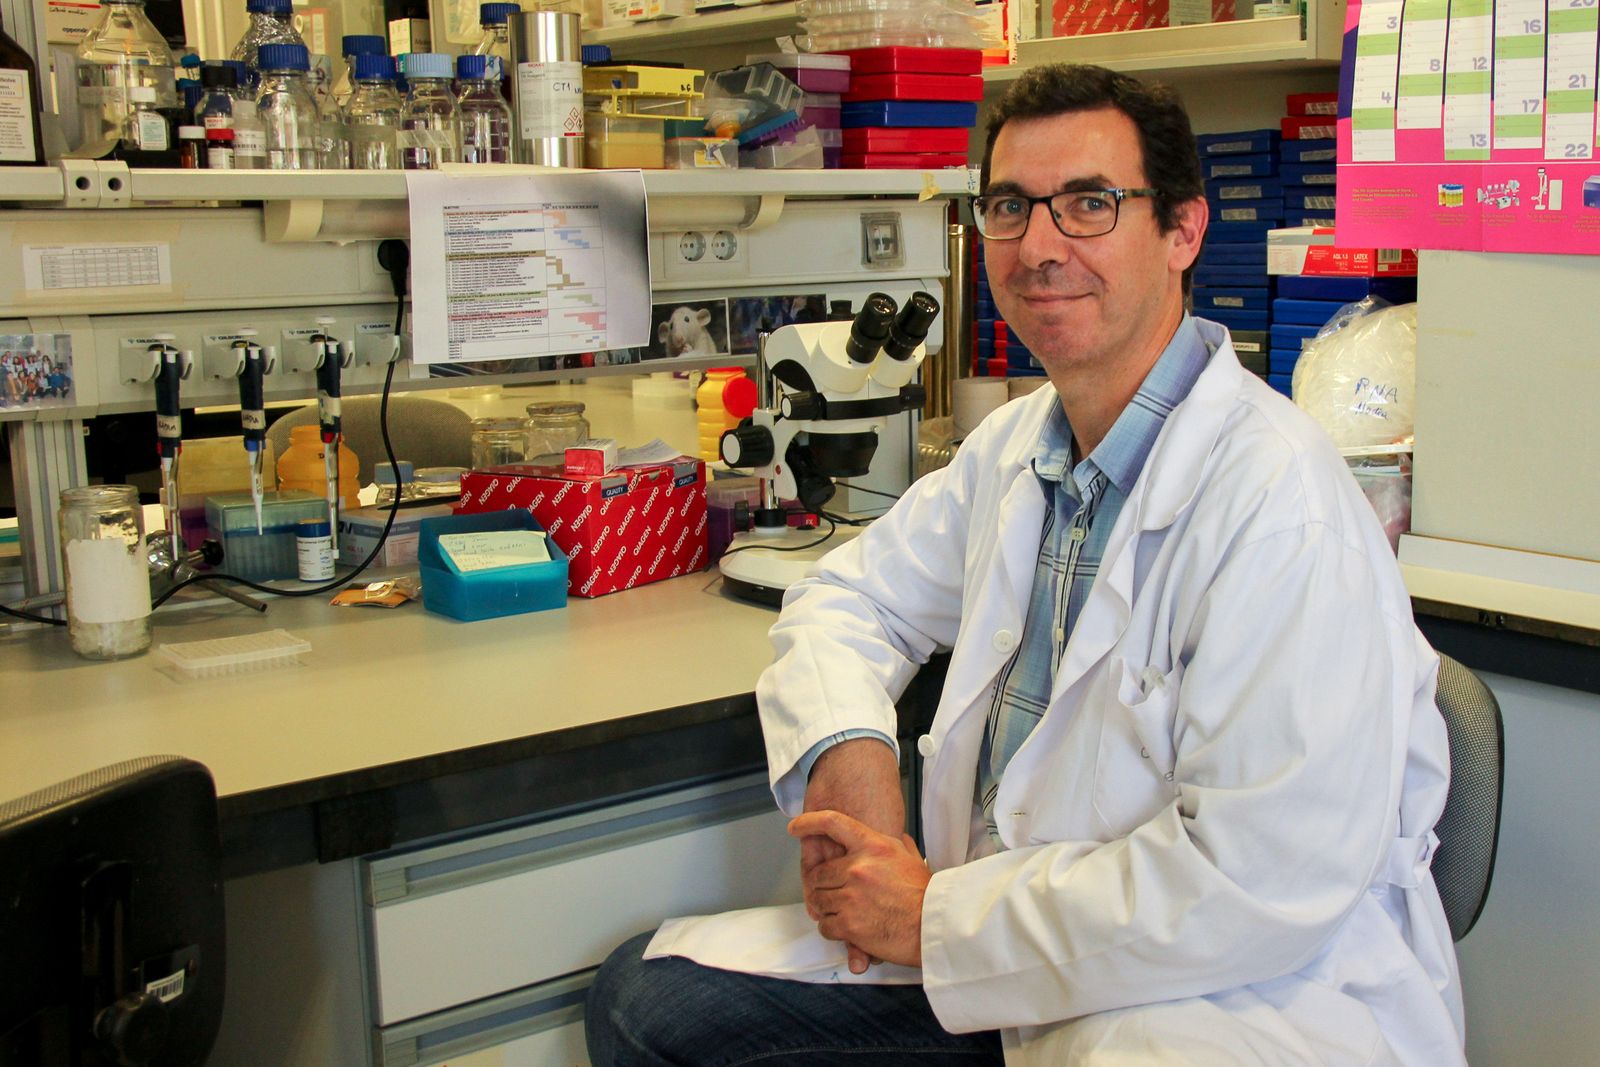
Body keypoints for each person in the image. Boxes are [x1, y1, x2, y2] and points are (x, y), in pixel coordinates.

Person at [586, 63, 1465, 1066]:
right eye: (1009, 206)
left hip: (1216, 1000)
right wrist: (855, 766)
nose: (1040, 247)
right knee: (642, 1003)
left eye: (1090, 203)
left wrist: (933, 914)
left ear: (1183, 230)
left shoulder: (1280, 505)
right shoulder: (1020, 450)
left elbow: (1260, 882)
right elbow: (845, 596)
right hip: (1004, 958)